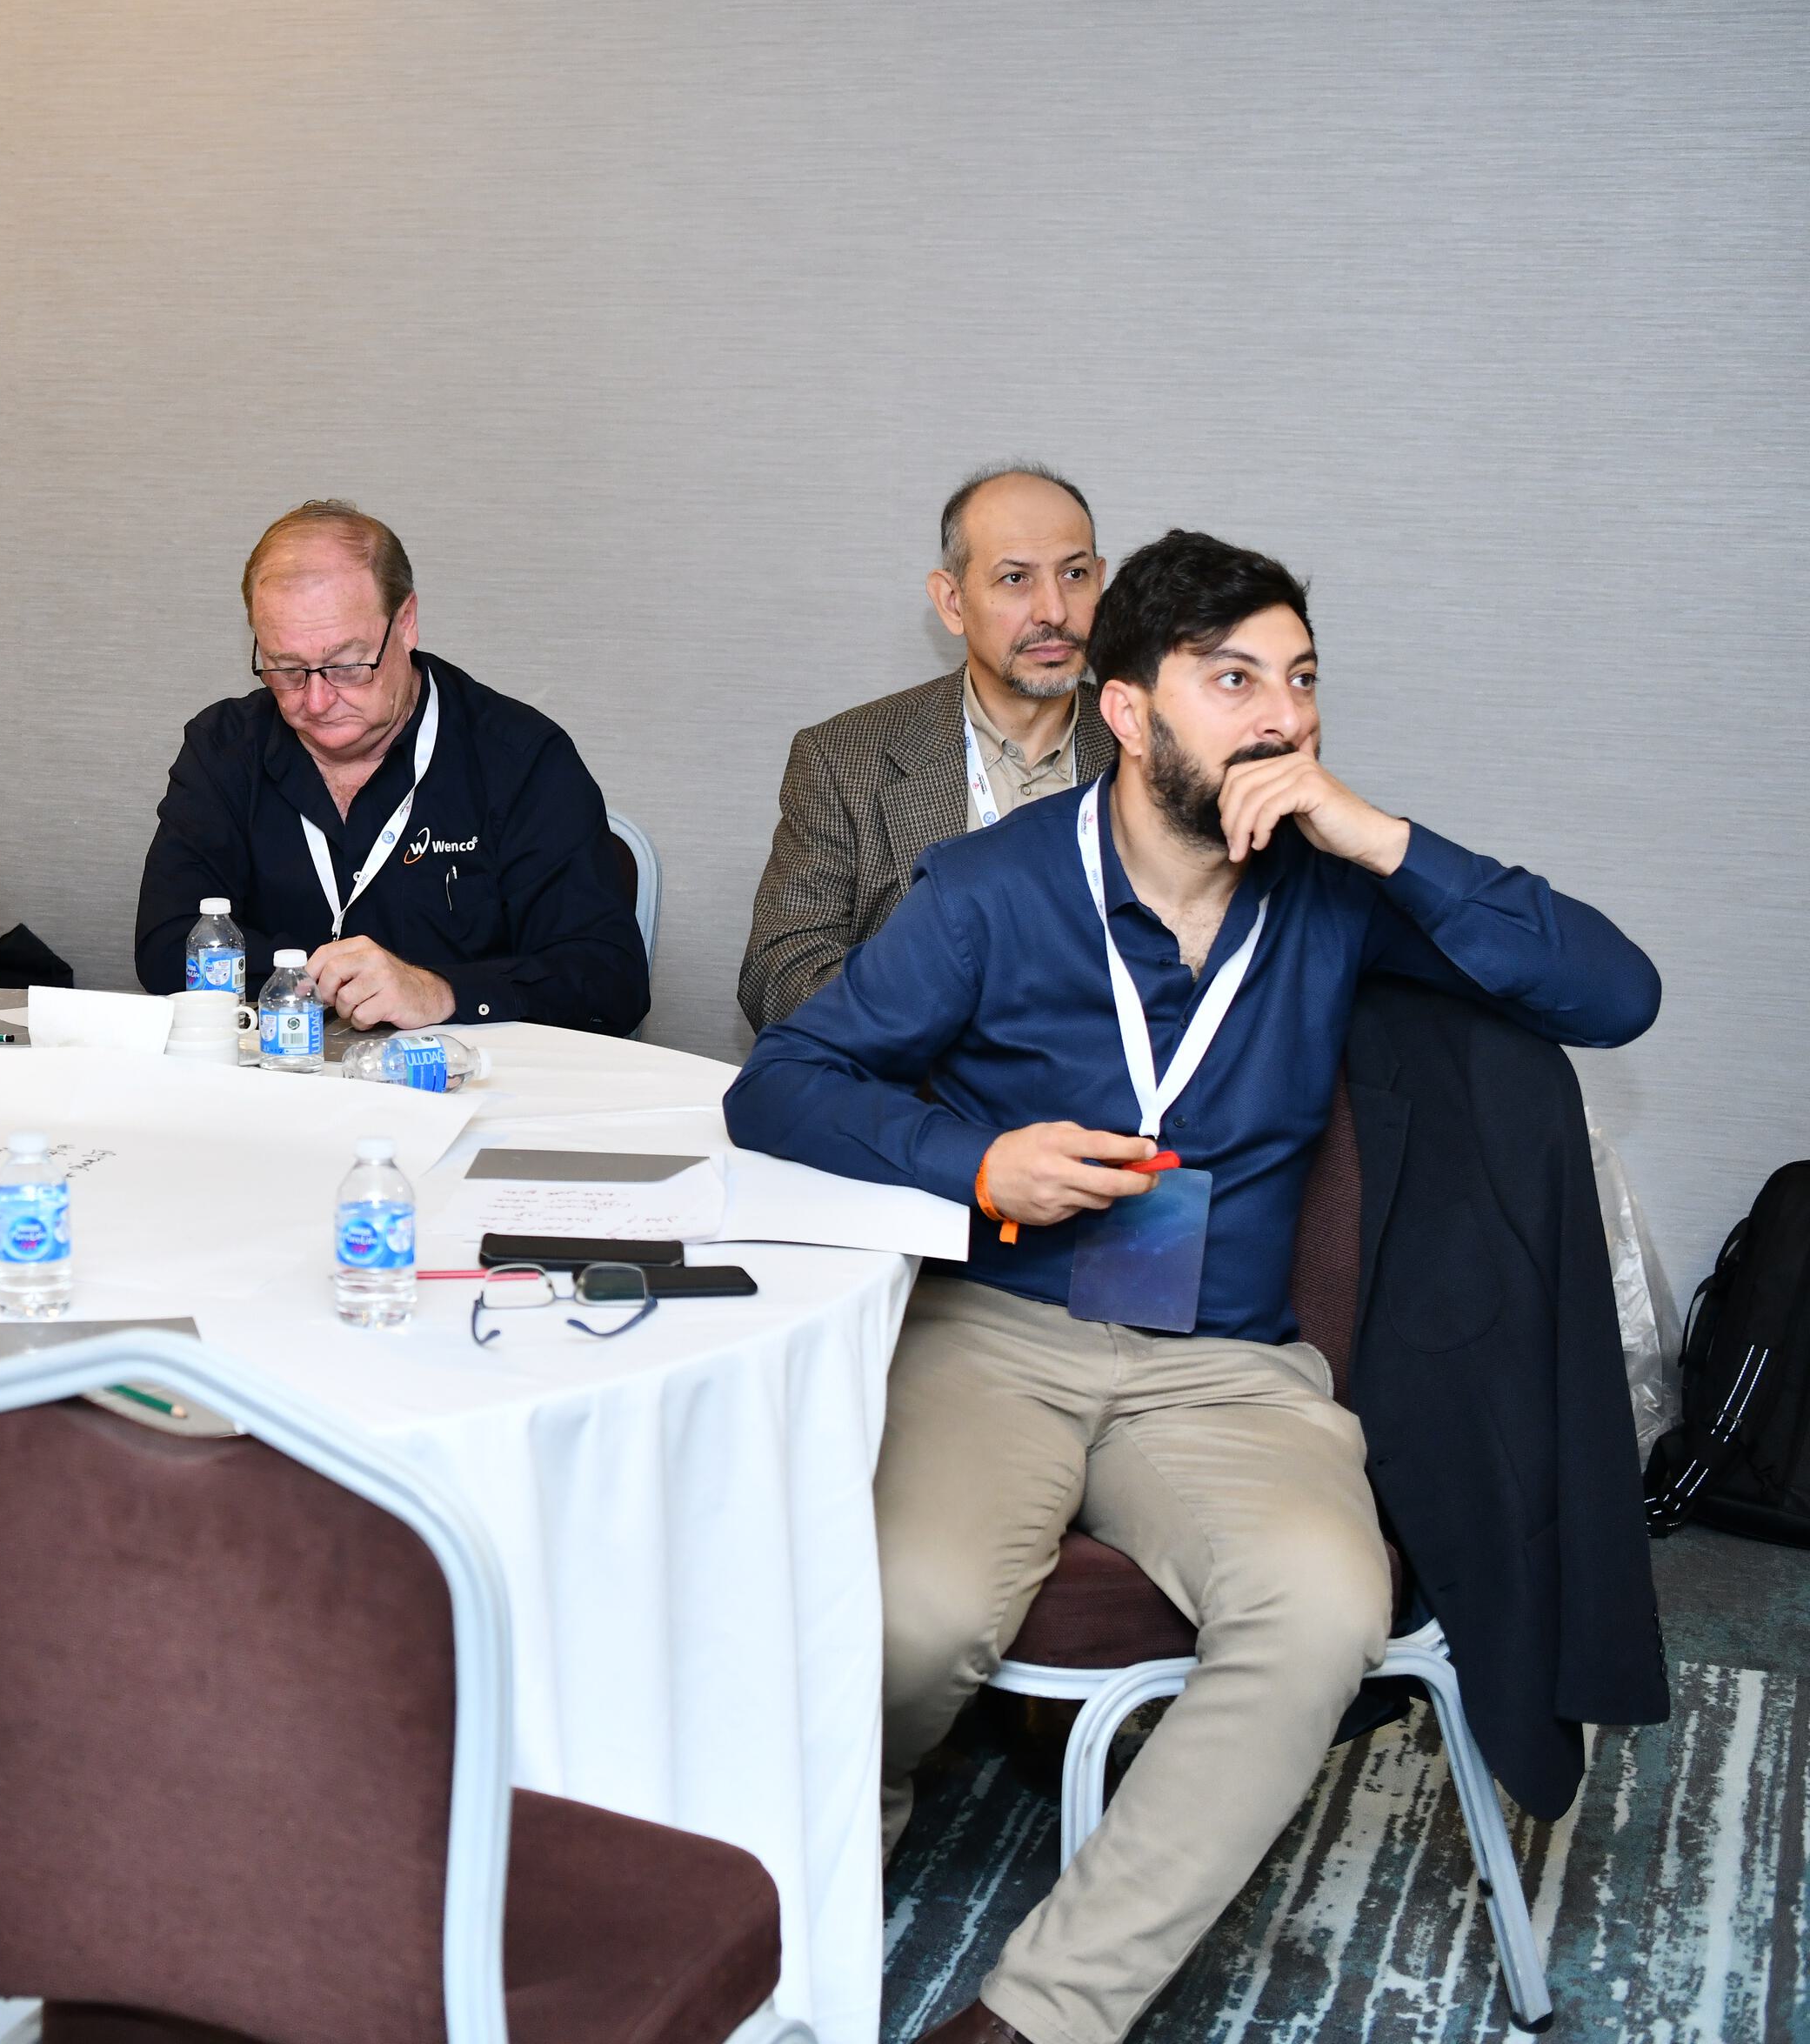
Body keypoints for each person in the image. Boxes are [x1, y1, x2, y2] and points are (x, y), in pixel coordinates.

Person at [724, 531, 1660, 2044]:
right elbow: (779, 1086)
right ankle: (846, 1816)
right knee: (911, 1618)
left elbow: (1617, 996)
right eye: (1233, 681)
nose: (1281, 714)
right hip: (1002, 1330)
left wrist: (1383, 837)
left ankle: (1040, 2015)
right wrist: (975, 1162)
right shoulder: (990, 892)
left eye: (1300, 679)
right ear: (1129, 711)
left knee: (1323, 1610)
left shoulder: (1336, 891)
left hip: (1230, 1367)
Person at [133, 500, 647, 1033]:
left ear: (406, 624)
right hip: (280, 1067)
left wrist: (440, 991)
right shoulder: (225, 749)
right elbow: (169, 944)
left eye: (346, 665)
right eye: (286, 669)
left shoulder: (520, 759)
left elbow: (609, 978)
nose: (316, 701)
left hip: (464, 1073)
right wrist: (316, 981)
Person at [738, 463, 1118, 1031]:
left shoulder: (1154, 751)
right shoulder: (843, 758)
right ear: (952, 602)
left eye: (1074, 574)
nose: (1054, 611)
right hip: (923, 1080)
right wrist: (967, 1044)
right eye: (1015, 578)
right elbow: (781, 972)